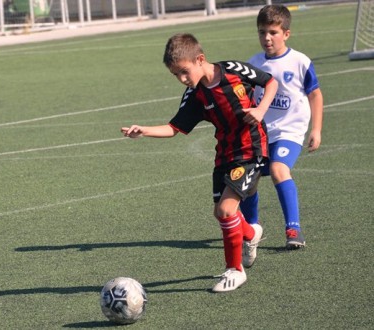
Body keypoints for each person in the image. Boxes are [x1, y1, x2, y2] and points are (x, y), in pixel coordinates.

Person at [121, 33, 278, 292]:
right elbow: (174, 128)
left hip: (252, 149)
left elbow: (270, 82)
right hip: (224, 155)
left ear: (200, 59)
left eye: (184, 72)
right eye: (176, 76)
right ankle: (251, 234)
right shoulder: (194, 95)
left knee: (227, 210)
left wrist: (261, 110)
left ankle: (234, 271)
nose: (182, 79)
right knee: (221, 213)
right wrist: (144, 130)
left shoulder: (233, 70)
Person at [241, 5, 323, 250]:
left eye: (273, 32)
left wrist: (316, 130)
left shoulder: (299, 62)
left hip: (290, 131)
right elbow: (245, 96)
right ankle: (253, 230)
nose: (267, 37)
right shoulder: (253, 64)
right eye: (262, 32)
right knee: (248, 177)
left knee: (278, 169)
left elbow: (315, 96)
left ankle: (294, 228)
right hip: (261, 134)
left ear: (286, 34)